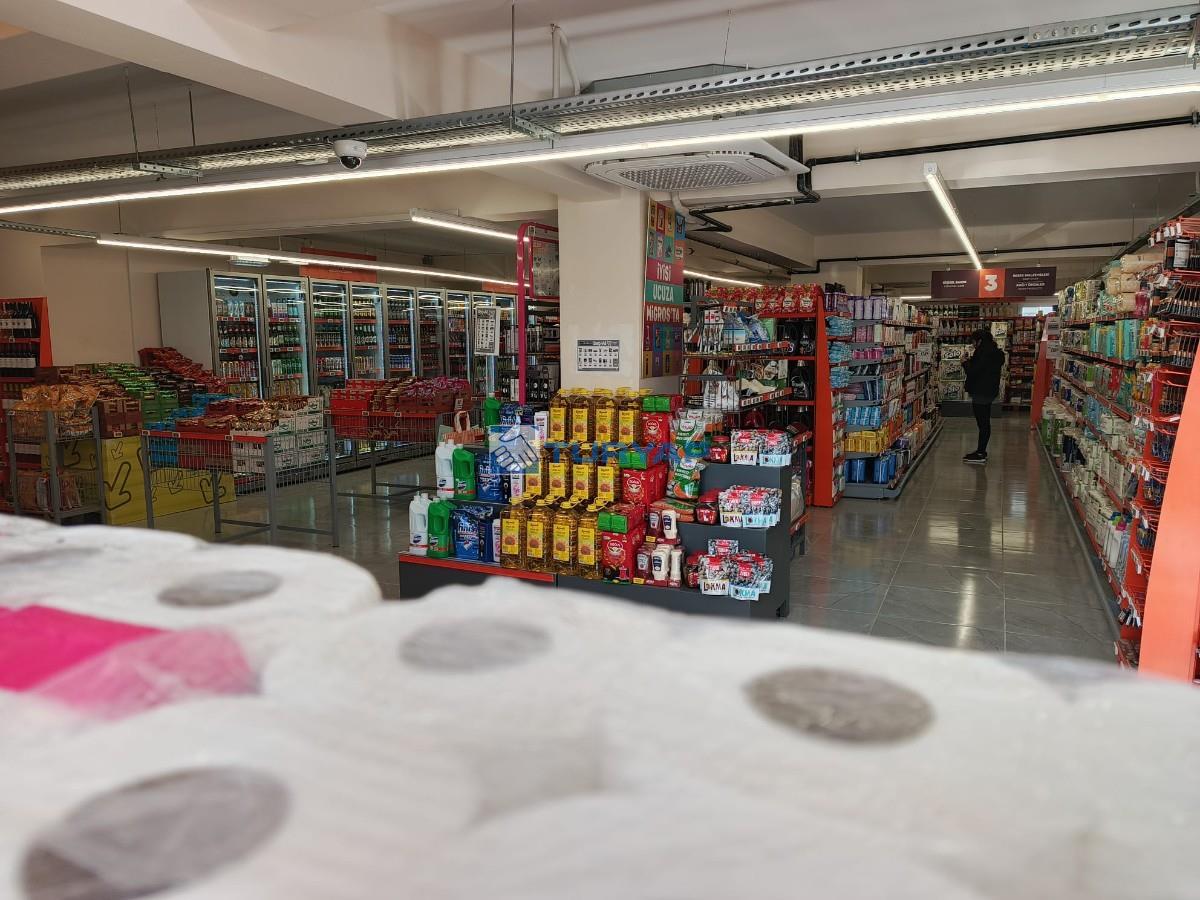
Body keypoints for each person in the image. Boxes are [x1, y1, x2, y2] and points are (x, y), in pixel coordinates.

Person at [961, 327, 1005, 464]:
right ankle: (981, 451)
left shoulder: (983, 353)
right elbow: (983, 368)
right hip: (989, 391)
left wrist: (964, 362)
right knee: (984, 422)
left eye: (974, 341)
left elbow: (973, 372)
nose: (973, 344)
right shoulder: (994, 352)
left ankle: (980, 453)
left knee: (983, 423)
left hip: (981, 391)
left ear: (979, 341)